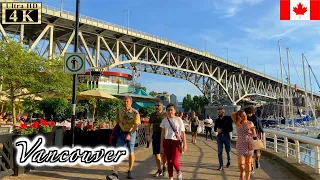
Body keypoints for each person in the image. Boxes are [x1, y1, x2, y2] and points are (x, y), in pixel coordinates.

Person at [107, 96, 140, 179]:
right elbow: (117, 121)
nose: (126, 103)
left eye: (127, 101)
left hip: (131, 133)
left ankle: (130, 170)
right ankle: (115, 173)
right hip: (121, 133)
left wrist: (130, 133)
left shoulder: (135, 112)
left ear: (131, 102)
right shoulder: (120, 111)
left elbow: (136, 125)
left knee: (131, 152)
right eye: (124, 101)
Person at [160, 103, 187, 180]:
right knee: (169, 161)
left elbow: (182, 133)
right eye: (168, 110)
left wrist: (185, 144)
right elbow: (162, 134)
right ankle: (171, 177)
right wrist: (161, 146)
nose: (170, 112)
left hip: (176, 142)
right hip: (167, 141)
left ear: (175, 111)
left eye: (171, 110)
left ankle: (179, 172)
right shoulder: (164, 120)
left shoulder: (179, 120)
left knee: (174, 160)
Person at [231, 110, 257, 180]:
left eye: (245, 115)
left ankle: (247, 178)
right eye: (242, 115)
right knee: (241, 164)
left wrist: (253, 132)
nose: (244, 116)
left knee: (248, 163)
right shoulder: (237, 123)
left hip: (249, 145)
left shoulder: (250, 123)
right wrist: (238, 115)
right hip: (240, 145)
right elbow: (232, 113)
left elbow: (254, 135)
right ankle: (242, 172)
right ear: (240, 116)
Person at [146, 101, 168, 177]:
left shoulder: (166, 114)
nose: (156, 107)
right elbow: (148, 125)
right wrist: (148, 134)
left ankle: (164, 166)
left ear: (162, 106)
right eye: (156, 105)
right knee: (156, 153)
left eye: (158, 105)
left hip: (164, 136)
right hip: (155, 135)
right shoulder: (152, 115)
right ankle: (159, 169)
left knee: (164, 152)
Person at [244, 106, 264, 171]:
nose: (247, 115)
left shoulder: (257, 119)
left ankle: (257, 160)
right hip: (248, 138)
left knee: (257, 154)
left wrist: (261, 139)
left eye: (248, 113)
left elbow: (261, 130)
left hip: (256, 137)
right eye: (246, 113)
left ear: (251, 113)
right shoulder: (245, 119)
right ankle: (252, 168)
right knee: (250, 154)